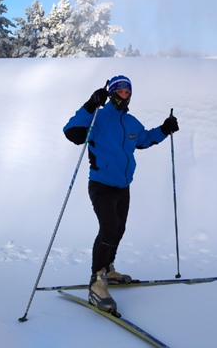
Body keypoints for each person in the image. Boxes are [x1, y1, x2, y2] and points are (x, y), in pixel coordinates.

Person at [63, 75, 179, 313]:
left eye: (128, 92)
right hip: (101, 184)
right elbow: (72, 132)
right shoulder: (99, 117)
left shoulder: (130, 122)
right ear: (112, 93)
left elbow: (144, 139)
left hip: (123, 186)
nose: (124, 95)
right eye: (120, 91)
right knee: (109, 226)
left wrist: (165, 130)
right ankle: (96, 281)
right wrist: (90, 104)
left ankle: (108, 268)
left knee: (119, 228)